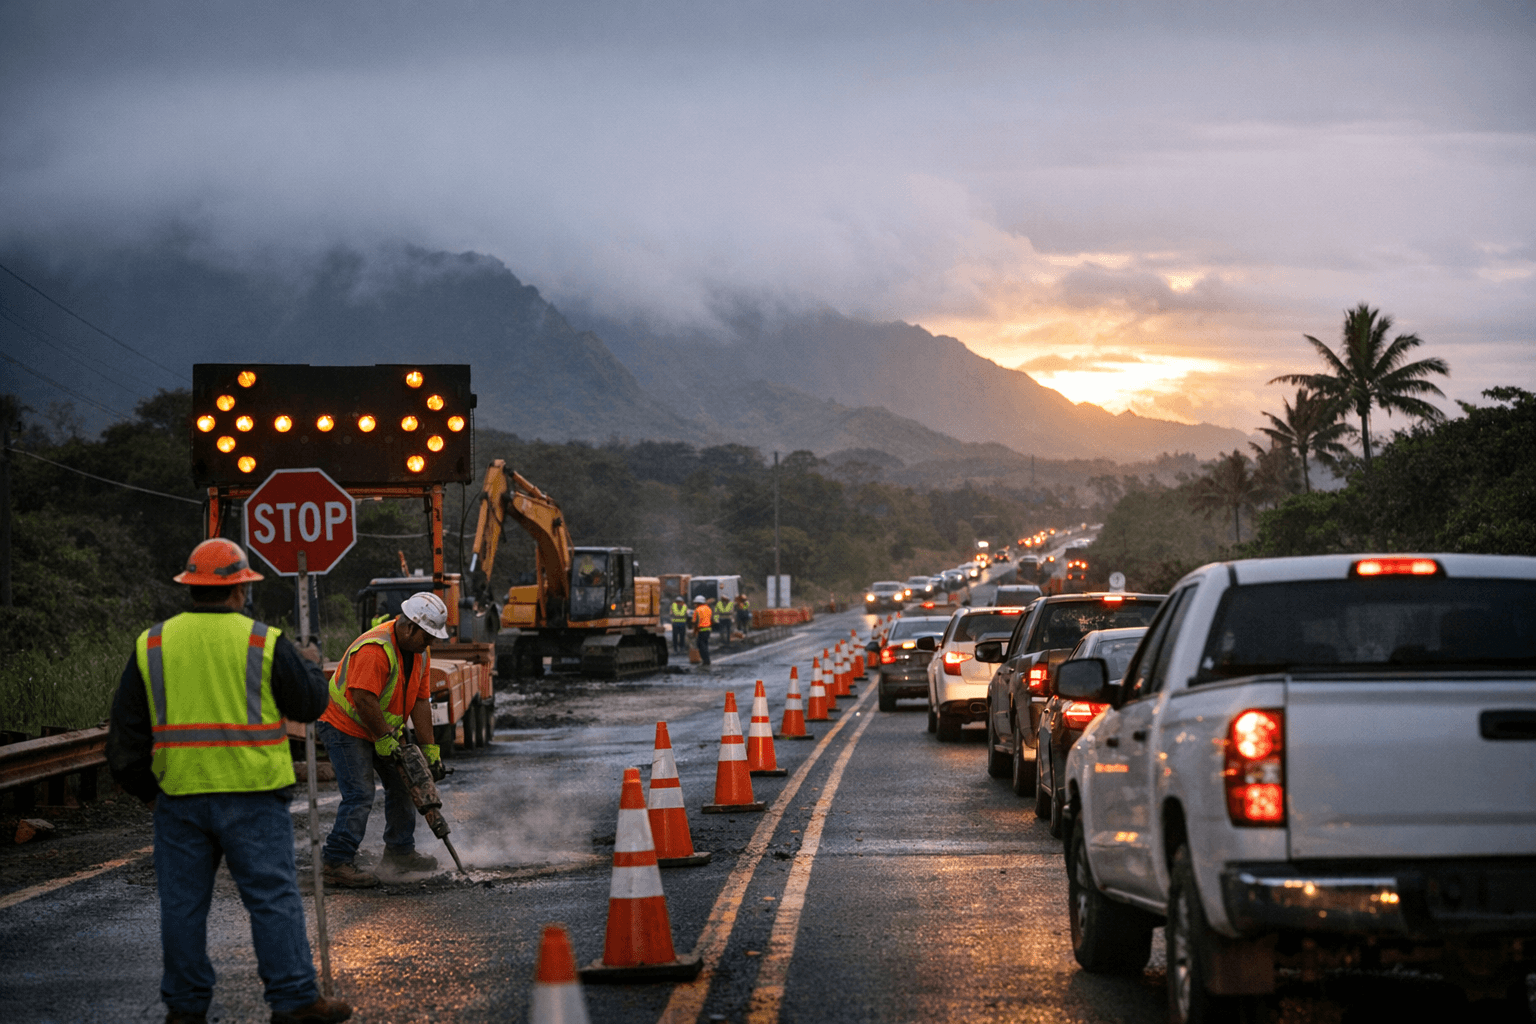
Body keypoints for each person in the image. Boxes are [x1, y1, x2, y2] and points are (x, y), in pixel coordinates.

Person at [107, 538, 351, 1024]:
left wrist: (150, 794)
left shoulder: (152, 642)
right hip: (254, 797)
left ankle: (185, 1007)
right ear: (241, 589)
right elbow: (309, 706)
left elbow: (125, 738)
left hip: (179, 800)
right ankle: (295, 1000)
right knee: (272, 899)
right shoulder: (263, 640)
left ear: (190, 588)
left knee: (182, 907)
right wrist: (306, 662)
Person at [317, 591, 449, 888]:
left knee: (405, 782)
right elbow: (362, 697)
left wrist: (429, 749)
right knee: (360, 793)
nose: (430, 643)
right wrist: (383, 737)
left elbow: (420, 699)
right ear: (409, 627)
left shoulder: (420, 652)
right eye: (426, 636)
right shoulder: (375, 649)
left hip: (380, 728)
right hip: (345, 725)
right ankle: (336, 862)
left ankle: (400, 853)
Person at [692, 595, 713, 667]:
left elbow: (695, 622)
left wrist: (694, 632)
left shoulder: (697, 610)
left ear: (698, 603)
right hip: (708, 629)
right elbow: (712, 620)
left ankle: (706, 661)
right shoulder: (708, 609)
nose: (695, 604)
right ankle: (707, 660)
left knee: (701, 645)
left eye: (696, 603)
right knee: (705, 644)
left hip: (701, 629)